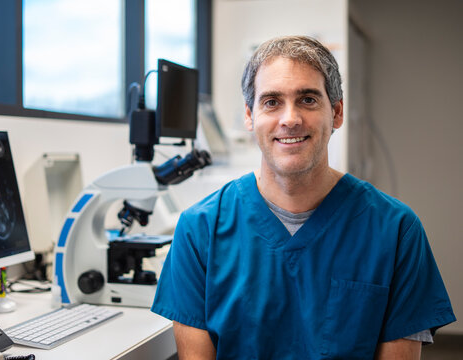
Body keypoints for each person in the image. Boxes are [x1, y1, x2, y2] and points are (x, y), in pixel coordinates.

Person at [151, 36, 456, 359]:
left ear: (336, 113)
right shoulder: (199, 230)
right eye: (271, 102)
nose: (290, 119)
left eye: (308, 99)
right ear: (250, 116)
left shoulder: (396, 230)